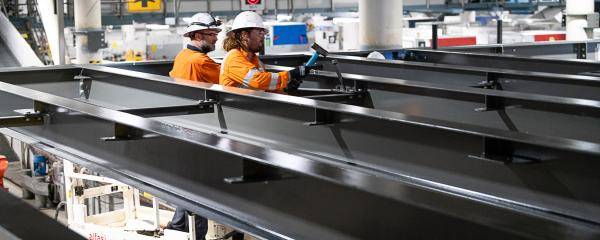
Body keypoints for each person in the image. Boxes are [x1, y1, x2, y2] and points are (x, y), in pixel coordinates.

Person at [220, 11, 311, 92]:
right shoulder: (233, 58)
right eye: (259, 32)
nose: (263, 36)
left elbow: (265, 86)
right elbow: (258, 81)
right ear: (244, 35)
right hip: (237, 109)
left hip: (253, 107)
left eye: (263, 33)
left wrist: (284, 88)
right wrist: (290, 75)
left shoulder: (255, 61)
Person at [169, 12, 222, 84]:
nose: (216, 39)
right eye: (212, 34)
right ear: (198, 36)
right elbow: (227, 79)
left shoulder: (181, 55)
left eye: (216, 34)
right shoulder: (201, 61)